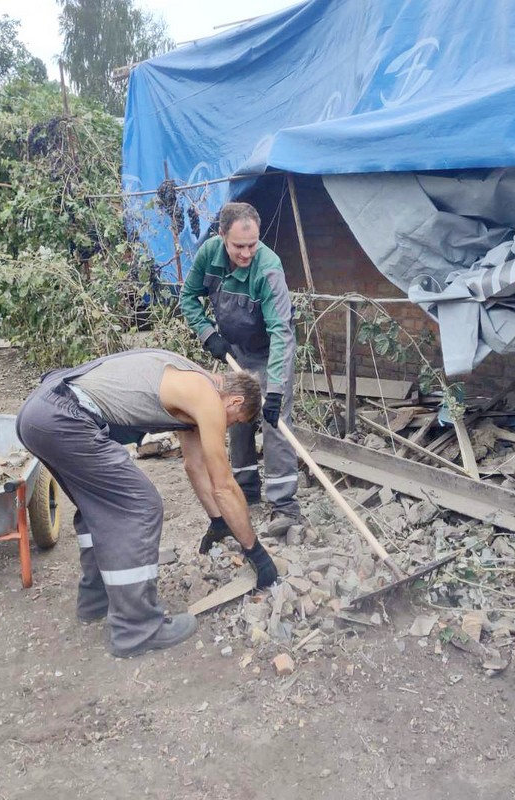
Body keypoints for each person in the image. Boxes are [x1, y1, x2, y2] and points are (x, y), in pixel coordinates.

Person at [16, 348, 276, 659]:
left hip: (39, 413)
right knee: (141, 507)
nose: (229, 427)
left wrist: (218, 521)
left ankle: (96, 600)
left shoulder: (191, 385)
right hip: (66, 418)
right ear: (234, 401)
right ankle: (137, 630)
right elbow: (224, 485)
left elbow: (196, 466)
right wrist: (256, 553)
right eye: (236, 421)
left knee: (96, 507)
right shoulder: (206, 397)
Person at [180, 201, 302, 537]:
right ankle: (247, 490)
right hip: (233, 352)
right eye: (239, 246)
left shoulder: (269, 269)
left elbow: (281, 333)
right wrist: (209, 336)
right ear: (222, 236)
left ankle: (284, 505)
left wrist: (274, 389)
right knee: (235, 418)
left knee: (275, 424)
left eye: (252, 245)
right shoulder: (208, 256)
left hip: (269, 353)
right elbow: (188, 297)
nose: (247, 253)